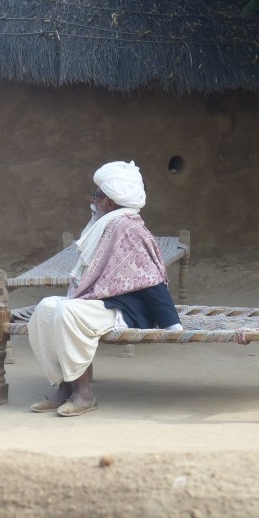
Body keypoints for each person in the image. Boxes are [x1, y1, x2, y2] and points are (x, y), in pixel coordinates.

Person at [27, 161, 183, 417]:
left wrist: (171, 324)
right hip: (100, 304)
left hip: (126, 311)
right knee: (46, 308)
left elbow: (151, 278)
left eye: (97, 195)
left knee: (67, 312)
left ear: (110, 202)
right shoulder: (107, 225)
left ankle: (83, 394)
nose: (93, 200)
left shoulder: (128, 228)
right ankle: (65, 387)